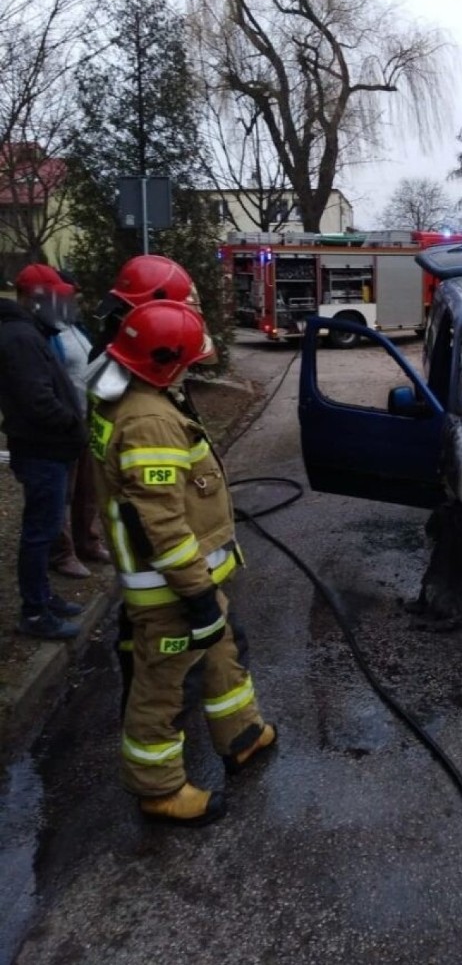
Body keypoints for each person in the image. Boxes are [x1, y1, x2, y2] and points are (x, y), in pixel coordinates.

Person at [88, 298, 275, 826]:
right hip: (170, 586)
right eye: (187, 362)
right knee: (164, 685)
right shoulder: (149, 420)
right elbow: (162, 525)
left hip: (188, 577)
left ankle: (242, 735)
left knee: (221, 653)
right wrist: (195, 596)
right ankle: (159, 789)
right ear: (165, 361)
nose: (192, 368)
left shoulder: (134, 397)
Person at [0, 264, 88, 639]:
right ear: (32, 299)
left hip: (49, 449)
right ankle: (35, 613)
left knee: (47, 528)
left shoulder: (29, 331)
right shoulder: (19, 337)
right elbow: (38, 400)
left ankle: (43, 597)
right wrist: (71, 424)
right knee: (40, 533)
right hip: (42, 451)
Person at [48, 272, 111, 578]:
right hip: (63, 426)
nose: (78, 300)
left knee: (89, 488)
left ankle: (88, 541)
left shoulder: (76, 328)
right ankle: (63, 553)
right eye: (72, 295)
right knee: (63, 492)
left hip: (87, 420)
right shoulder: (48, 333)